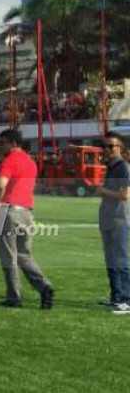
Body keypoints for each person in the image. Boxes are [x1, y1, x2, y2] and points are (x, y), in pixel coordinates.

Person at [0, 129, 54, 309]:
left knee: (7, 256)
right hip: (27, 212)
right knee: (24, 255)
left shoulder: (9, 160)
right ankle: (44, 286)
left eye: (2, 142)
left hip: (9, 210)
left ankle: (14, 296)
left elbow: (1, 184)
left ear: (12, 143)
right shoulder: (30, 161)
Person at [98, 132, 130, 314]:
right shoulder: (111, 167)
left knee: (121, 260)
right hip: (109, 219)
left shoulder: (123, 167)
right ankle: (116, 297)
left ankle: (126, 299)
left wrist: (103, 192)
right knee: (110, 260)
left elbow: (125, 195)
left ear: (120, 148)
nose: (107, 150)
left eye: (111, 146)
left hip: (119, 220)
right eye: (105, 146)